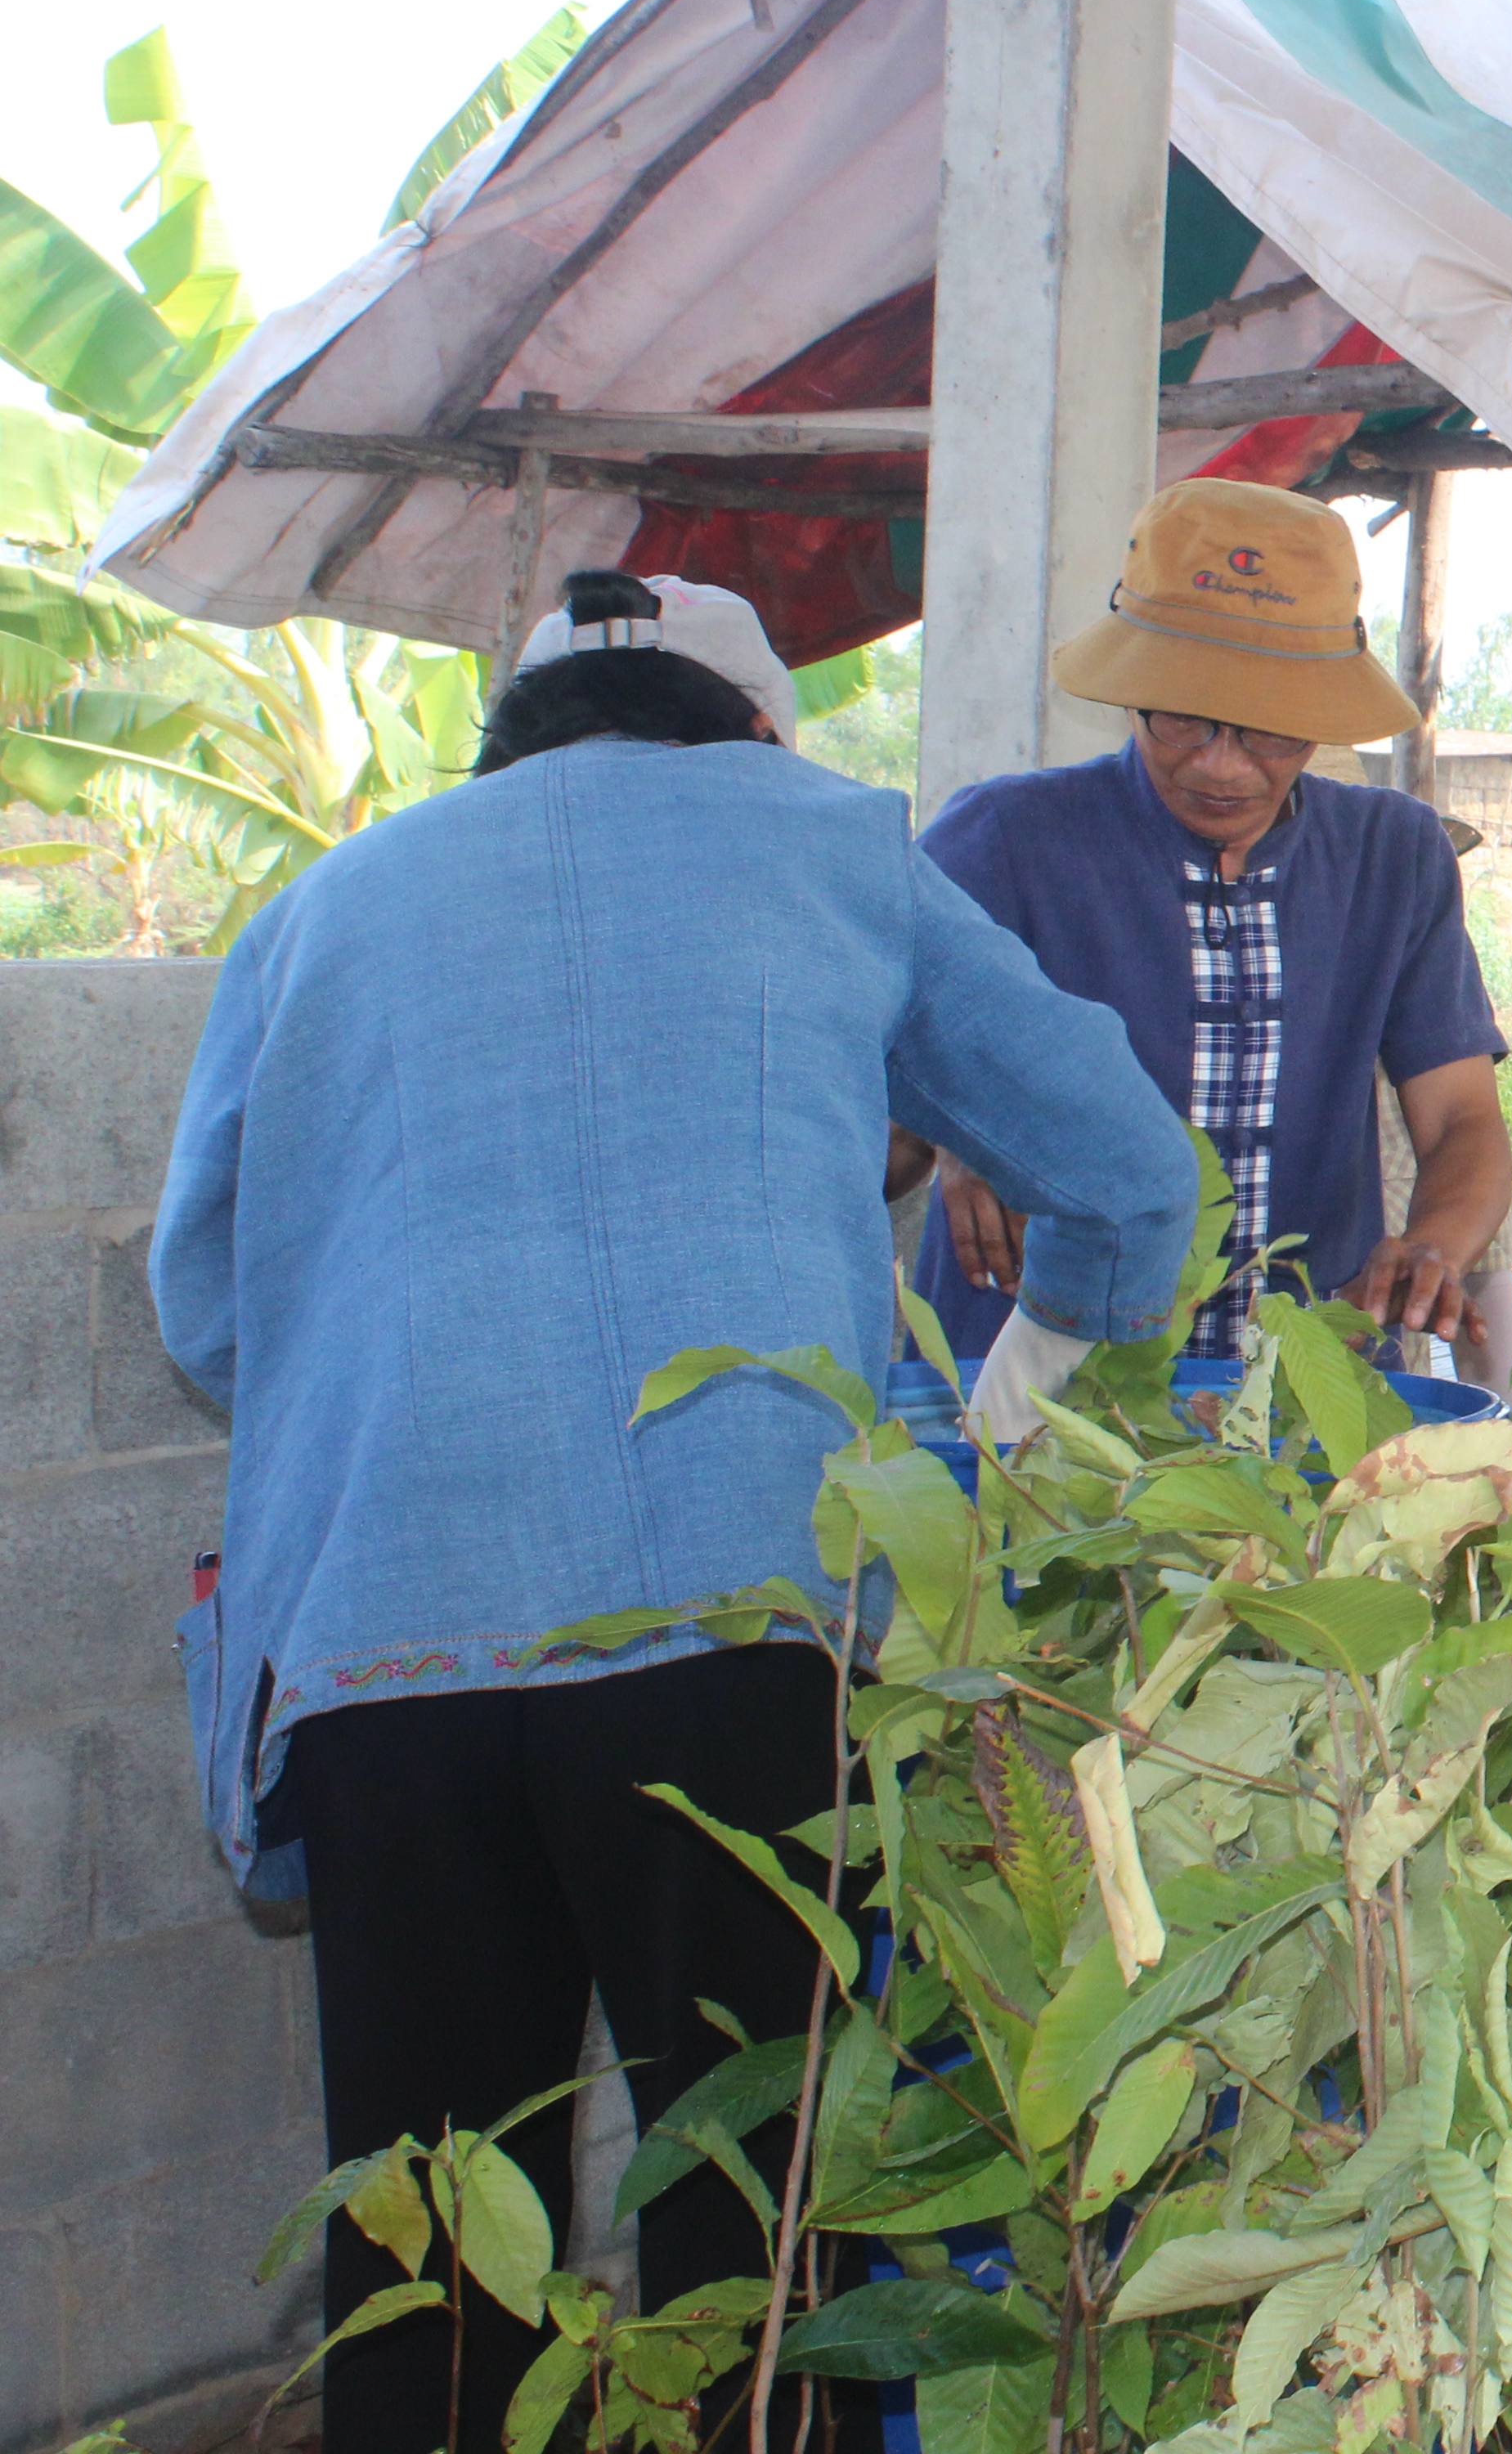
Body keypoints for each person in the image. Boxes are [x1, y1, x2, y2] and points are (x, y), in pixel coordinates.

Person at [156, 569, 1196, 2454]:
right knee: (761, 2230)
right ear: (759, 735)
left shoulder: (326, 905)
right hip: (741, 1641)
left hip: (393, 1652)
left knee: (434, 2239)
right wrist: (1034, 1404)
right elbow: (1128, 1167)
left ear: (508, 748)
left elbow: (205, 1302)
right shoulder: (834, 846)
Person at [891, 479, 1512, 1380]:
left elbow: (1461, 1118)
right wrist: (960, 1133)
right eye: (1181, 718)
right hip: (1030, 1392)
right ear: (1132, 690)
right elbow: (872, 1097)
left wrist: (1435, 1248)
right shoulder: (1000, 842)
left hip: (1300, 1386)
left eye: (1269, 732)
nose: (1221, 765)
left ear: (1323, 719)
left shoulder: (1395, 857)